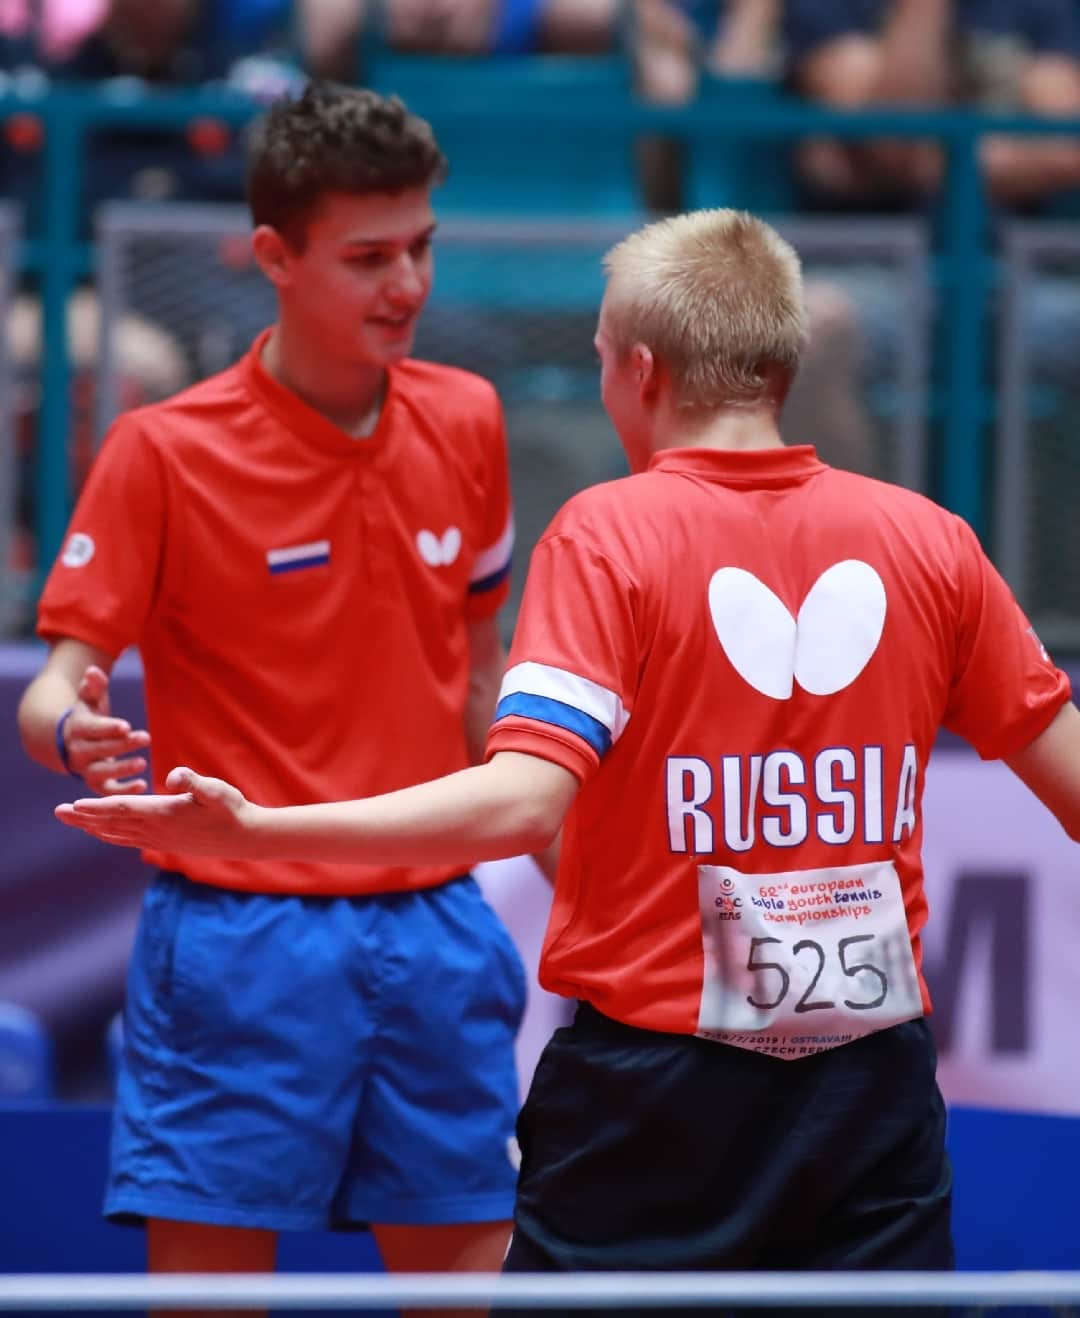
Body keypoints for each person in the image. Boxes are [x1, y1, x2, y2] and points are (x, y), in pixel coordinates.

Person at [56, 208, 1080, 1314]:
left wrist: (258, 831)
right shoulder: (931, 541)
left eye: (598, 357)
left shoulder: (610, 534)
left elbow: (521, 799)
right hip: (872, 1093)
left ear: (640, 369)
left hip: (656, 1104)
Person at [20, 81, 526, 1316]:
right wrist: (72, 730)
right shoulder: (163, 450)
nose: (404, 283)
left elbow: (480, 679)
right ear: (272, 257)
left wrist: (575, 865)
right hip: (241, 942)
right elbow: (55, 687)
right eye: (366, 258)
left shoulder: (469, 418)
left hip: (439, 933)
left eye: (420, 248)